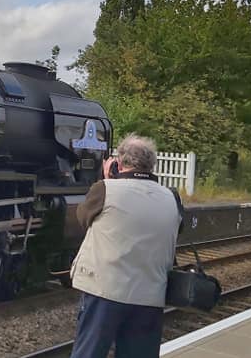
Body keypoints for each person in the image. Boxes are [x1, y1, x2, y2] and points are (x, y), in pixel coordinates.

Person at [70, 134, 182, 358]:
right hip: (150, 295)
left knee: (89, 353)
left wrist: (106, 177)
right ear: (152, 165)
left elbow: (82, 219)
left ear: (119, 163)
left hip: (105, 291)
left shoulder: (105, 189)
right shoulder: (172, 197)